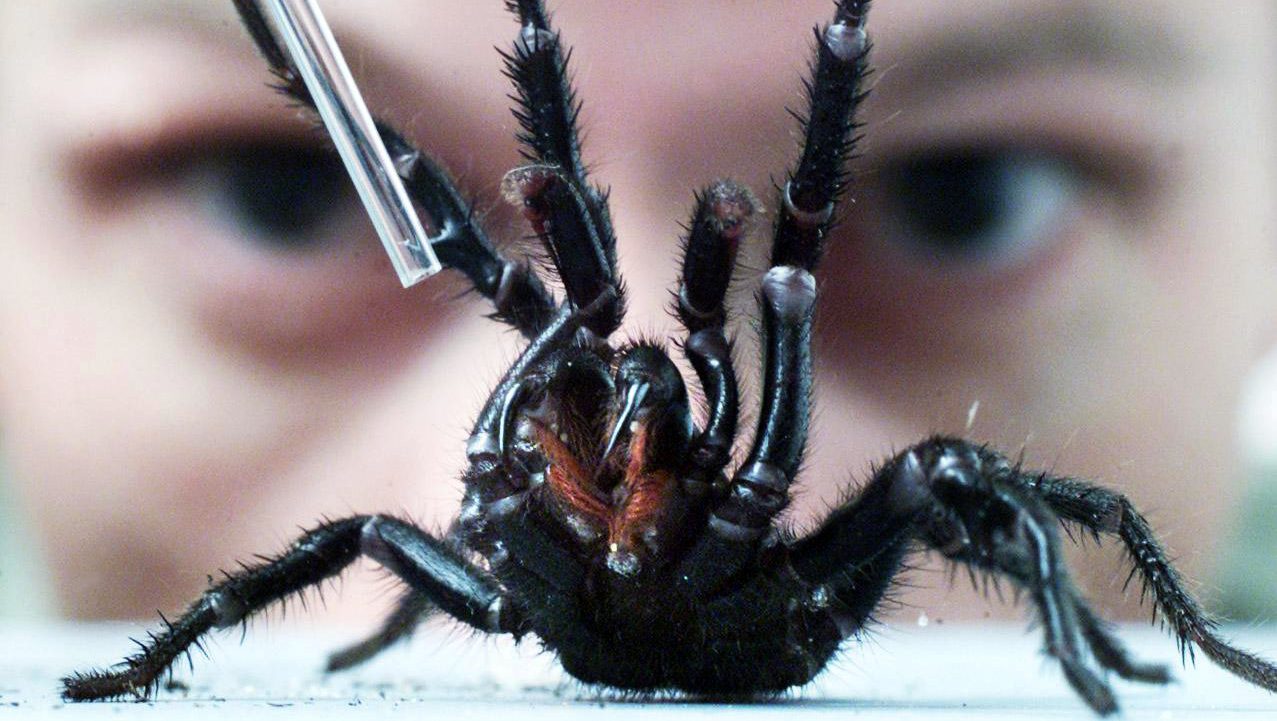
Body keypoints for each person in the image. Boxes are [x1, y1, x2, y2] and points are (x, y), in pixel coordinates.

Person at [0, 0, 1272, 627]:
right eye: (282, 193)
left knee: (952, 477)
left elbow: (1065, 527)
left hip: (768, 630)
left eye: (957, 197)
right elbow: (399, 528)